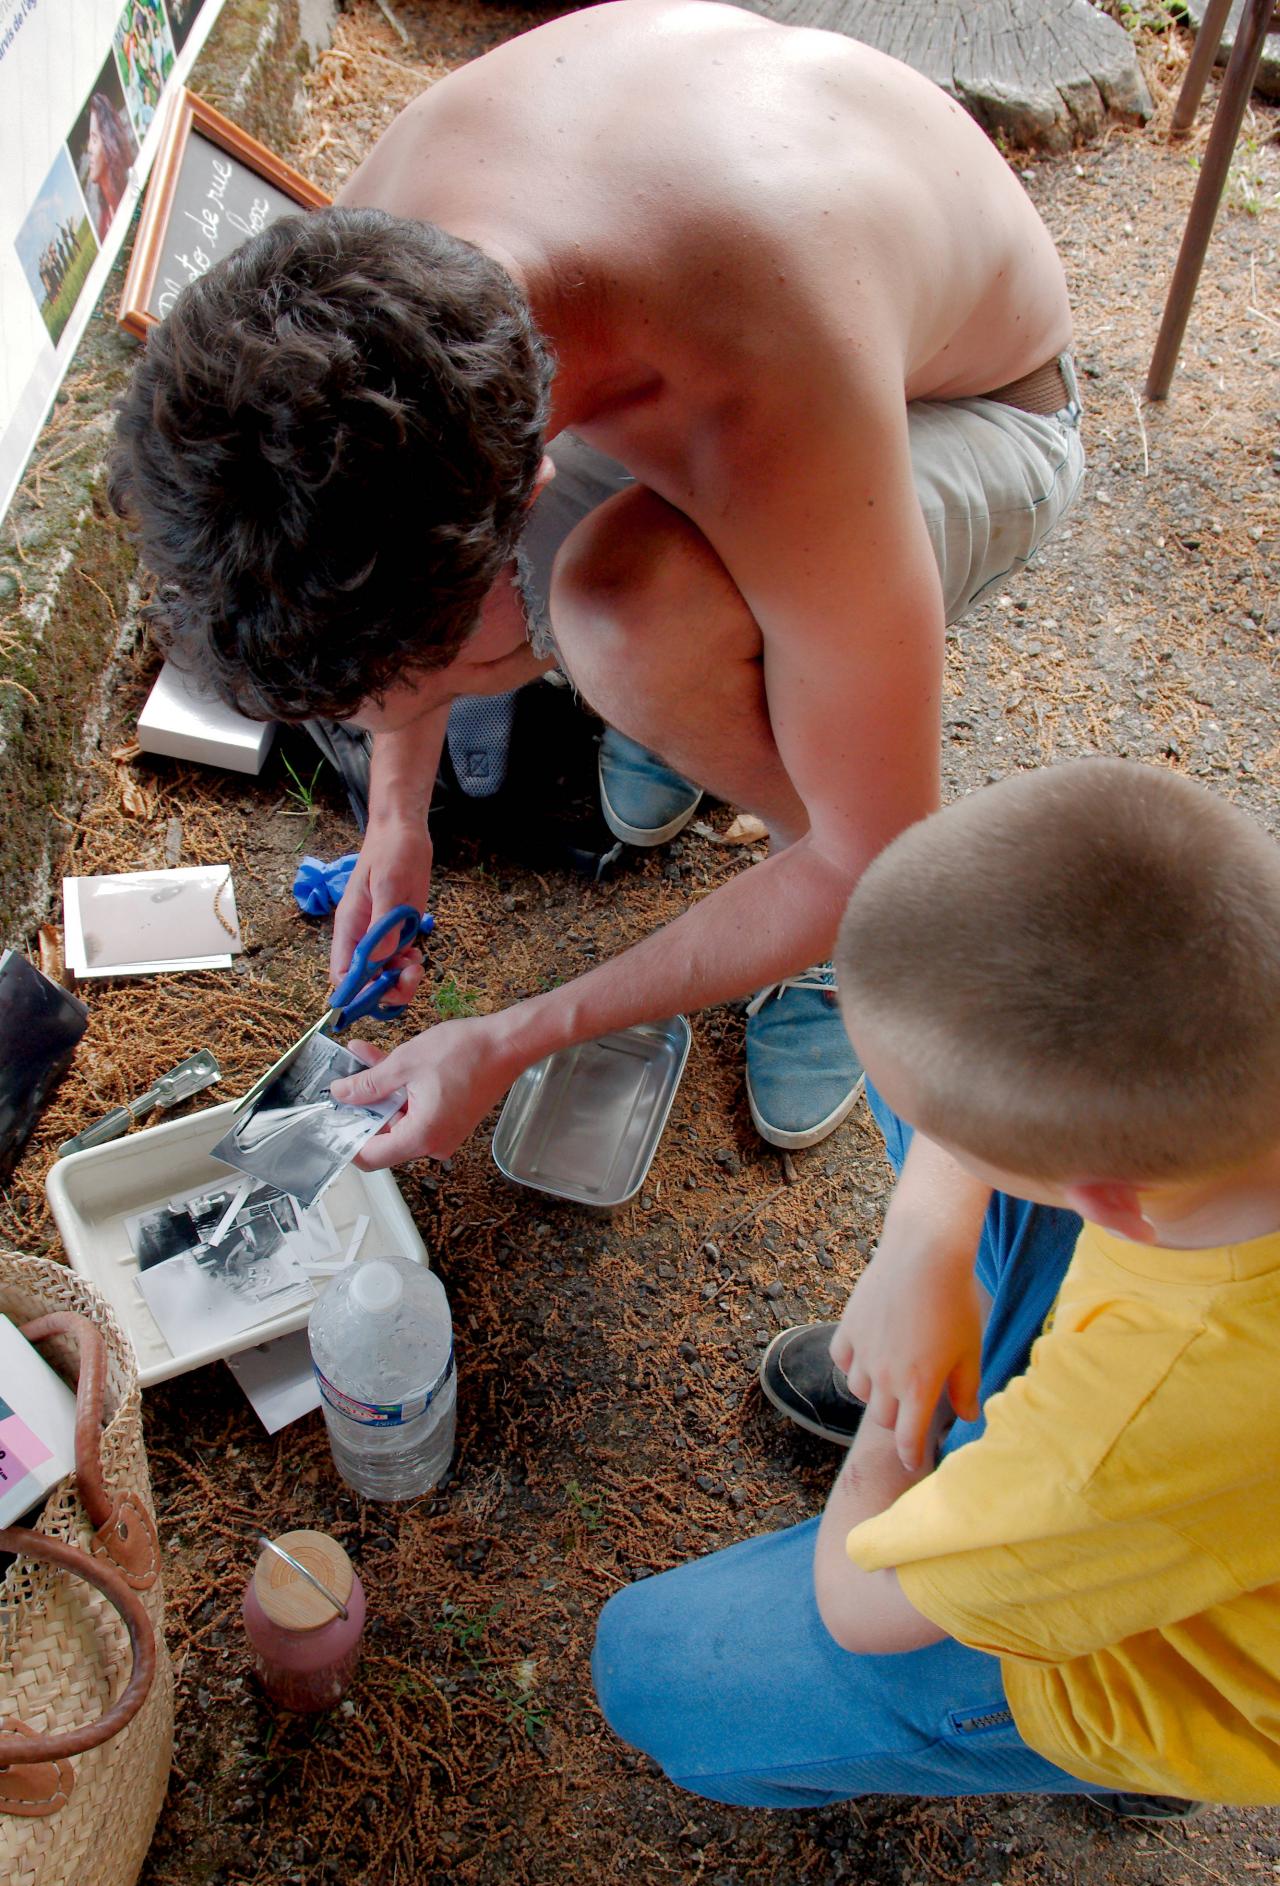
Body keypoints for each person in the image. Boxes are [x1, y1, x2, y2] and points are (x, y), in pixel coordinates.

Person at [109, 0, 1083, 1164]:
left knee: (623, 622)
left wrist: (513, 1037)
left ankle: (792, 893)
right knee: (589, 630)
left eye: (441, 681)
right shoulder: (347, 293)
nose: (420, 711)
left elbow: (879, 857)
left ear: (523, 496)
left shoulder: (764, 376)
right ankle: (689, 709)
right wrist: (394, 817)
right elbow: (378, 564)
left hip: (973, 401)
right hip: (665, 283)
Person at [591, 759, 1280, 1810]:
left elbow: (861, 1607)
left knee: (647, 1668)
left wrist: (896, 1420)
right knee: (944, 1011)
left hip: (1168, 1650)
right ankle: (980, 1395)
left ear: (1104, 1200)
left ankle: (1136, 1764)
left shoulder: (1118, 1435)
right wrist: (919, 1247)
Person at [82, 92, 136, 241]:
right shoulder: (104, 221)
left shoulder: (130, 191)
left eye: (94, 139)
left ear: (107, 142)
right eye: (89, 140)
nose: (88, 149)